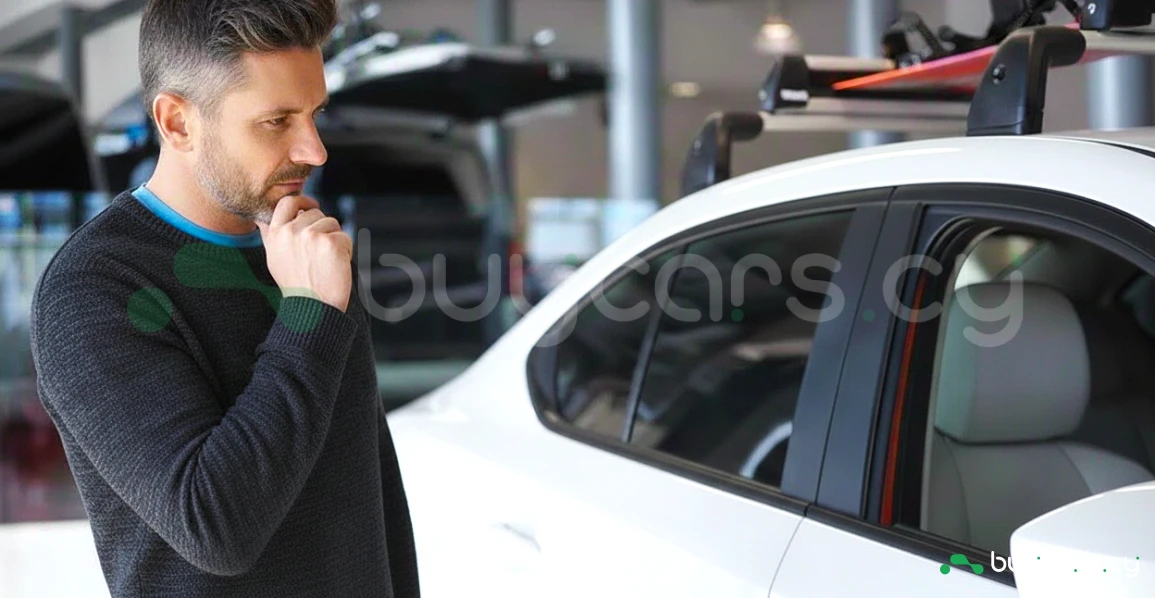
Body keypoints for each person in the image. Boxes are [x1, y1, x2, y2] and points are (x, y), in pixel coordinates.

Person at [28, 0, 419, 596]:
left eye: (314, 114)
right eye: (277, 121)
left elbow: (370, 494)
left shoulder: (303, 249)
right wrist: (308, 314)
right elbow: (214, 529)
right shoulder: (91, 288)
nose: (315, 150)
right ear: (178, 122)